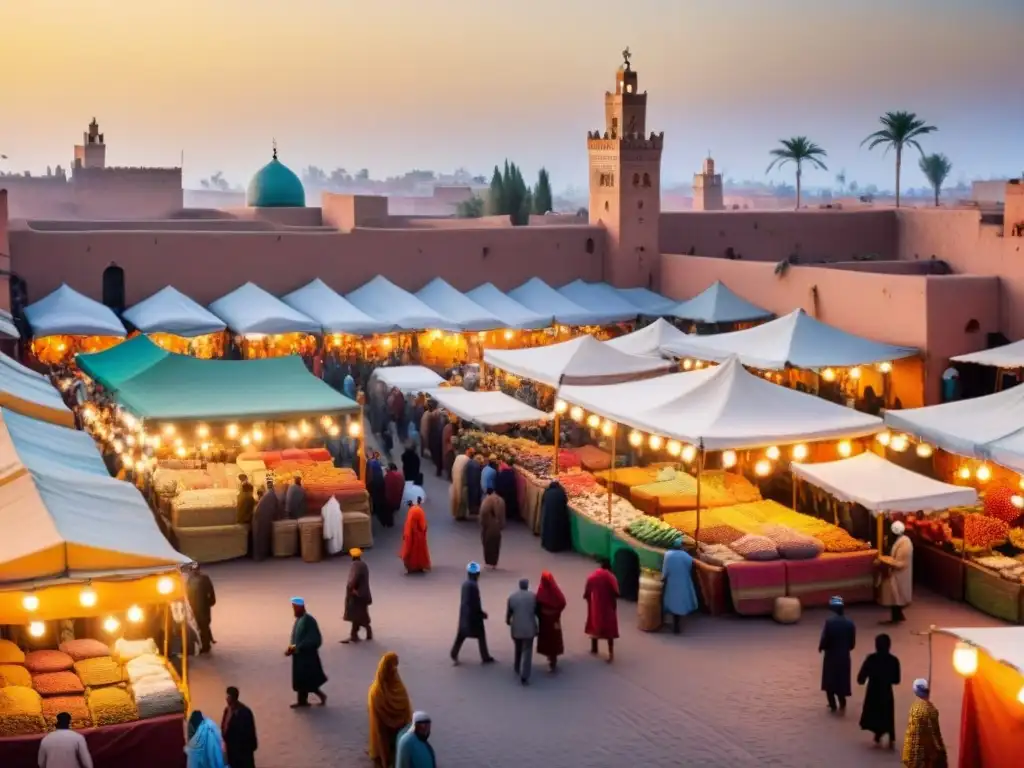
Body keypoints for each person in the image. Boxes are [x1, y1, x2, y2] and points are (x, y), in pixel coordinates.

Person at [367, 652, 413, 768]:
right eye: (392, 666)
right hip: (396, 732)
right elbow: (406, 711)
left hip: (388, 732)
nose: (394, 670)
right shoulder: (391, 689)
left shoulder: (376, 692)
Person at [857, 633, 901, 750]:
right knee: (887, 715)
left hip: (873, 691)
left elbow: (860, 679)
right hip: (886, 692)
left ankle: (878, 734)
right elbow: (896, 680)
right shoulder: (894, 660)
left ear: (876, 646)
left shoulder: (871, 659)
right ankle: (890, 737)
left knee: (874, 714)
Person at [451, 562, 495, 665]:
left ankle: (454, 653)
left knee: (461, 634)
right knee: (481, 635)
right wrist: (481, 614)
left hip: (464, 614)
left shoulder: (465, 584)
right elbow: (475, 603)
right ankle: (485, 656)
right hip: (473, 617)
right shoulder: (473, 586)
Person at [286, 597, 327, 707]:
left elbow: (313, 638)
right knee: (301, 679)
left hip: (307, 656)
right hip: (299, 655)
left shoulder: (308, 620)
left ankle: (321, 696)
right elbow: (295, 637)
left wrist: (299, 647)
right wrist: (291, 649)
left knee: (308, 679)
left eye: (295, 608)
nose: (294, 611)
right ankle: (302, 701)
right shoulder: (299, 620)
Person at [819, 595, 857, 713]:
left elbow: (825, 639)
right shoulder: (850, 624)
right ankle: (842, 703)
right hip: (844, 656)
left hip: (831, 656)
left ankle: (832, 705)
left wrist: (821, 647)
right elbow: (852, 644)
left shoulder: (829, 622)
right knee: (842, 680)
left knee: (829, 680)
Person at [902, 679, 947, 767]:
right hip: (924, 754)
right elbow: (934, 733)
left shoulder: (914, 707)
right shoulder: (931, 710)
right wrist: (940, 750)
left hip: (911, 752)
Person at [584, 559, 620, 663]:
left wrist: (589, 600)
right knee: (610, 630)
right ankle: (610, 654)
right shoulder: (610, 577)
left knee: (593, 623)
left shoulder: (593, 576)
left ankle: (594, 648)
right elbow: (616, 592)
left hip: (595, 605)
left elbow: (586, 592)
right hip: (608, 606)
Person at [880, 520, 914, 624]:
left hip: (900, 573)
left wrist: (886, 561)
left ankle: (897, 616)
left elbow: (900, 562)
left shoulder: (905, 543)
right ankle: (897, 616)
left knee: (896, 595)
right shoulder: (901, 541)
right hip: (897, 572)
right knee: (895, 596)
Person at [506, 577, 538, 685]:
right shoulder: (533, 597)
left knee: (518, 647)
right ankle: (525, 675)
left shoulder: (512, 597)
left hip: (516, 628)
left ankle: (516, 666)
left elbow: (509, 614)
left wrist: (508, 621)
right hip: (529, 628)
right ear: (527, 586)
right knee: (527, 651)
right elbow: (537, 612)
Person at [661, 548, 699, 634]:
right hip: (684, 582)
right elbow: (689, 568)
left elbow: (665, 570)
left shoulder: (668, 554)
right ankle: (677, 624)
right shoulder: (687, 557)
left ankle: (673, 625)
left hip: (672, 582)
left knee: (672, 601)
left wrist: (662, 577)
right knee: (680, 602)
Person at [535, 570, 566, 672]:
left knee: (546, 638)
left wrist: (540, 615)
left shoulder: (541, 590)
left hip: (544, 621)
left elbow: (537, 605)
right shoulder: (555, 590)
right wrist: (557, 613)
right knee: (554, 638)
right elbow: (562, 602)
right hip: (554, 620)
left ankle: (550, 656)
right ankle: (553, 657)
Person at [221, 686, 258, 768]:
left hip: (242, 753)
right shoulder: (227, 711)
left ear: (232, 697)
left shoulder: (244, 712)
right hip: (231, 751)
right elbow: (224, 728)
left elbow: (249, 733)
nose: (226, 699)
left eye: (228, 696)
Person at [343, 548, 373, 643]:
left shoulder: (355, 566)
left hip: (357, 595)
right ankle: (354, 635)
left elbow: (353, 579)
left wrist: (351, 589)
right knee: (359, 615)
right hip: (363, 594)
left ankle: (361, 633)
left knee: (357, 614)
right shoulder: (363, 565)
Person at [187, 564, 216, 654]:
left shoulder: (202, 578)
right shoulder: (190, 579)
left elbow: (210, 591)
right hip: (195, 606)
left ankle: (206, 645)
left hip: (202, 606)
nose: (194, 571)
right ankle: (207, 641)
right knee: (201, 625)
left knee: (203, 624)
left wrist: (211, 601)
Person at [251, 477, 282, 561]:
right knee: (262, 538)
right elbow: (277, 509)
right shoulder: (272, 495)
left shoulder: (268, 495)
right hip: (263, 519)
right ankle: (260, 556)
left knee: (259, 538)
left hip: (260, 518)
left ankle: (259, 556)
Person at [400, 499, 431, 574]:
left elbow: (408, 526)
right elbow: (423, 526)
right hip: (419, 536)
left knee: (411, 552)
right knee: (420, 553)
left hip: (411, 535)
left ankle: (411, 567)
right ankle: (419, 566)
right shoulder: (419, 510)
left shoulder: (411, 511)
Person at [479, 487, 506, 569]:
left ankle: (489, 563)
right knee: (494, 545)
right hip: (494, 526)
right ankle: (493, 562)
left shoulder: (490, 500)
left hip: (490, 525)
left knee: (489, 544)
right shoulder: (499, 500)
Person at [540, 480, 570, 551]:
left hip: (549, 514)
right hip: (558, 514)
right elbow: (565, 501)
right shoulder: (561, 492)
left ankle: (548, 545)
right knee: (558, 529)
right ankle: (559, 546)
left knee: (549, 528)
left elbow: (543, 500)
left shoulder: (547, 492)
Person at [449, 449, 473, 520]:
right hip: (462, 481)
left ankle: (456, 513)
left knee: (456, 495)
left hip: (455, 479)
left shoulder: (459, 457)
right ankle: (461, 514)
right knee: (462, 498)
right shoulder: (467, 460)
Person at [383, 463, 405, 528]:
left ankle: (389, 523)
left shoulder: (387, 476)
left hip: (389, 498)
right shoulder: (400, 476)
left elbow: (384, 486)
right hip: (398, 497)